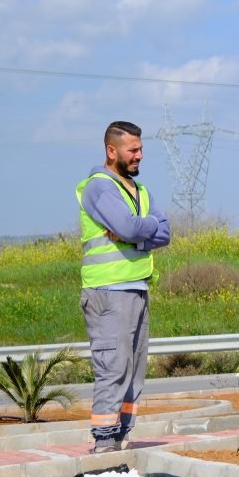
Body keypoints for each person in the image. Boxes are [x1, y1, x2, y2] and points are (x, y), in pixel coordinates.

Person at [76, 121, 171, 454]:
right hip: (108, 292)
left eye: (141, 149)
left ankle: (121, 437)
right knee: (113, 368)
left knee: (134, 372)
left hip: (137, 288)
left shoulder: (139, 190)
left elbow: (164, 233)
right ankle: (104, 442)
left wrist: (137, 235)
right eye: (133, 150)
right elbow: (133, 227)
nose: (139, 156)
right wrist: (142, 229)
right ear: (111, 150)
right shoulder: (98, 187)